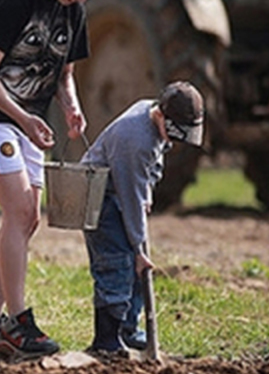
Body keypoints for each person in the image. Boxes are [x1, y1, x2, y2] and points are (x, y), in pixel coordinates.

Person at [0, 0, 114, 361]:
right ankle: (18, 320)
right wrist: (23, 117)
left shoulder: (73, 9)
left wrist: (71, 107)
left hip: (29, 125)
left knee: (25, 223)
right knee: (19, 212)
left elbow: (64, 72)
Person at [80, 82, 204, 355]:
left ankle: (127, 330)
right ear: (160, 115)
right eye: (171, 132)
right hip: (98, 197)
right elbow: (130, 198)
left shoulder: (153, 117)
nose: (172, 140)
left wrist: (147, 190)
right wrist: (139, 248)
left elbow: (150, 168)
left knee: (136, 270)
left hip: (119, 192)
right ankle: (106, 340)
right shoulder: (134, 141)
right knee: (118, 265)